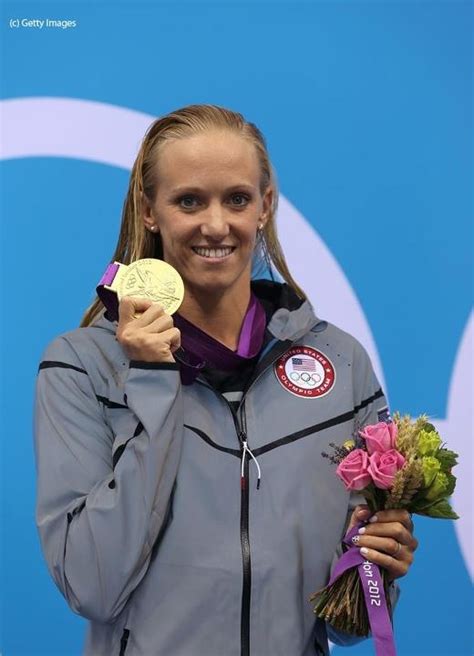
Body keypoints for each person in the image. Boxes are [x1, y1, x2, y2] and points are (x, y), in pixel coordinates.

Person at [34, 104, 418, 656]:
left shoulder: (341, 362)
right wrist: (153, 380)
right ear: (149, 211)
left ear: (265, 206)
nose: (216, 225)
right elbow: (92, 585)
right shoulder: (80, 368)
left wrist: (377, 567)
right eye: (189, 200)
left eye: (237, 199)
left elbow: (349, 627)